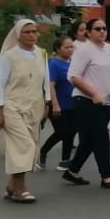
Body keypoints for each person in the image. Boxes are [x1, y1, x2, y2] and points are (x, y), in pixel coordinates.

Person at [0, 18, 53, 203]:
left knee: (32, 146)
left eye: (35, 31)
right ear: (19, 35)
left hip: (35, 105)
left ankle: (11, 185)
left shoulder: (41, 54)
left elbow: (46, 81)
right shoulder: (9, 56)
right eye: (28, 32)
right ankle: (20, 189)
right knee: (22, 145)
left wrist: (48, 103)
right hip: (13, 105)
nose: (32, 35)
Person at [63, 17, 110, 189]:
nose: (102, 31)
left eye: (104, 28)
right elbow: (73, 77)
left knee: (89, 139)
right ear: (88, 32)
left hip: (107, 102)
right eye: (97, 29)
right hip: (86, 100)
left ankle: (72, 171)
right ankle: (106, 176)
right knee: (101, 136)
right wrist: (94, 93)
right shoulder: (83, 50)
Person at [40, 35, 78, 170]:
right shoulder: (54, 64)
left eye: (71, 47)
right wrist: (55, 105)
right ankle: (42, 152)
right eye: (66, 47)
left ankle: (65, 160)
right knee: (62, 132)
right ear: (58, 49)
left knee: (72, 131)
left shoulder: (73, 63)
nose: (70, 50)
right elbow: (50, 86)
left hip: (72, 104)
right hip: (58, 105)